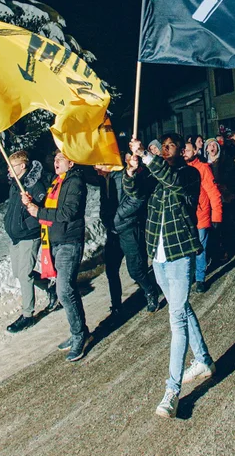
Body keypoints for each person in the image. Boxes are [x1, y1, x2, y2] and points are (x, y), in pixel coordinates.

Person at [126, 133, 215, 419]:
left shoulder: (190, 174)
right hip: (158, 254)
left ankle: (172, 391)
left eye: (170, 146)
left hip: (180, 254)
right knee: (181, 307)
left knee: (176, 317)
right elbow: (135, 193)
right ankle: (203, 360)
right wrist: (131, 170)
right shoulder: (154, 173)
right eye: (161, 147)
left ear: (182, 150)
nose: (164, 150)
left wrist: (149, 159)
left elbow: (174, 184)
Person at [22, 151, 91, 361]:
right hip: (55, 241)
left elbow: (67, 213)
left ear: (71, 162)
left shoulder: (76, 181)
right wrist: (33, 203)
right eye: (54, 159)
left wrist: (39, 213)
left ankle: (80, 335)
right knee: (67, 290)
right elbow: (51, 207)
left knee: (64, 290)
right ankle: (79, 331)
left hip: (70, 242)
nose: (56, 162)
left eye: (60, 159)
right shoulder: (57, 182)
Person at [95, 158, 158, 319]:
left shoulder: (124, 175)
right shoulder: (104, 179)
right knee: (111, 269)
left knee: (136, 270)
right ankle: (116, 305)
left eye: (98, 163)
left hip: (129, 228)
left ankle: (150, 291)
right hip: (113, 231)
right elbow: (104, 203)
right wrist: (105, 218)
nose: (95, 168)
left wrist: (117, 216)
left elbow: (137, 199)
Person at [4, 150, 57, 333]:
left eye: (12, 166)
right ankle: (50, 287)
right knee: (19, 274)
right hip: (16, 237)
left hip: (29, 235)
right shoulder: (14, 184)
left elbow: (41, 209)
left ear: (23, 166)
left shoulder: (34, 184)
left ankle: (28, 315)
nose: (9, 169)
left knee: (25, 274)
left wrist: (26, 220)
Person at [183, 141, 223, 292]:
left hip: (201, 215)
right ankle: (188, 275)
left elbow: (213, 193)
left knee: (200, 248)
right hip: (186, 217)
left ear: (195, 151)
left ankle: (200, 278)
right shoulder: (179, 169)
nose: (185, 153)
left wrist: (217, 216)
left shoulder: (203, 168)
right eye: (183, 150)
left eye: (188, 150)